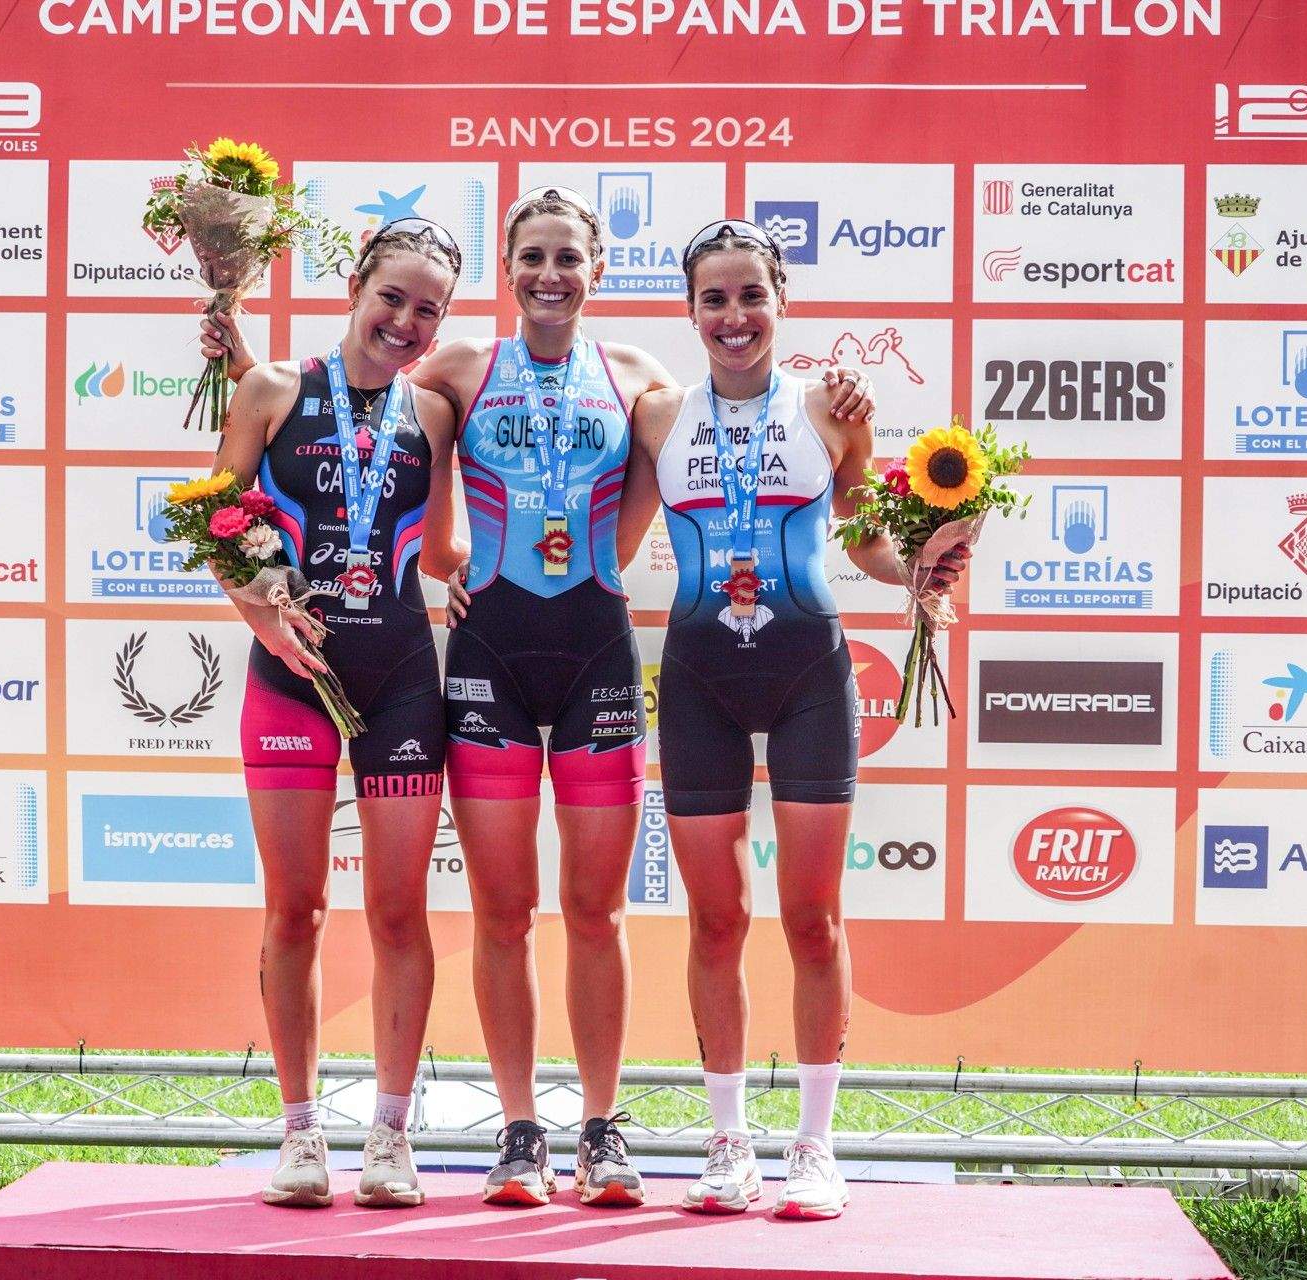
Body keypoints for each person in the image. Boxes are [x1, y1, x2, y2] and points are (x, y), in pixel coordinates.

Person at [202, 189, 875, 1209]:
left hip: (597, 650)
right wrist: (242, 355)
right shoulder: (456, 369)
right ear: (508, 271)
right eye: (532, 258)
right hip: (490, 660)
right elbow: (345, 402)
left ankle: (601, 1130)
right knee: (503, 912)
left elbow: (733, 421)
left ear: (598, 270)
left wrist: (841, 396)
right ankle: (520, 1132)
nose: (550, 274)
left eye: (568, 257)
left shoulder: (643, 384)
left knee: (595, 910)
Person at [629, 221, 967, 1220]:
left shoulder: (830, 406)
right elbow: (608, 536)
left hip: (810, 673)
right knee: (716, 918)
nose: (734, 316)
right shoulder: (657, 415)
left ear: (781, 302)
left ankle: (815, 1145)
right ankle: (728, 1140)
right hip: (698, 677)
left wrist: (921, 572)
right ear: (690, 310)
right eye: (714, 298)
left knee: (813, 916)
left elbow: (861, 538)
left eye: (752, 295)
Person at [209, 218, 466, 1209]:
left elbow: (436, 548)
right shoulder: (271, 390)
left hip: (401, 678)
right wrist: (265, 618)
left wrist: (487, 575)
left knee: (398, 911)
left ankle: (391, 1135)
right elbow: (213, 522)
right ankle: (302, 1132)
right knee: (297, 908)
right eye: (391, 296)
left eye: (428, 309)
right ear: (355, 285)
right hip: (290, 680)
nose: (405, 321)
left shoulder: (433, 412)